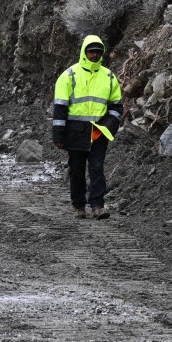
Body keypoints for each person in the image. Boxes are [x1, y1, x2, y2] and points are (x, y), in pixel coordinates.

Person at [52, 35, 123, 219]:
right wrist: (58, 135)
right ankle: (79, 207)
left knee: (97, 168)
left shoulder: (108, 76)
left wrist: (109, 126)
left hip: (99, 131)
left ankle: (98, 206)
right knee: (76, 170)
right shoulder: (69, 75)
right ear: (84, 52)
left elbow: (116, 106)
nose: (94, 55)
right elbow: (60, 108)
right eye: (91, 51)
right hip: (75, 132)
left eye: (98, 52)